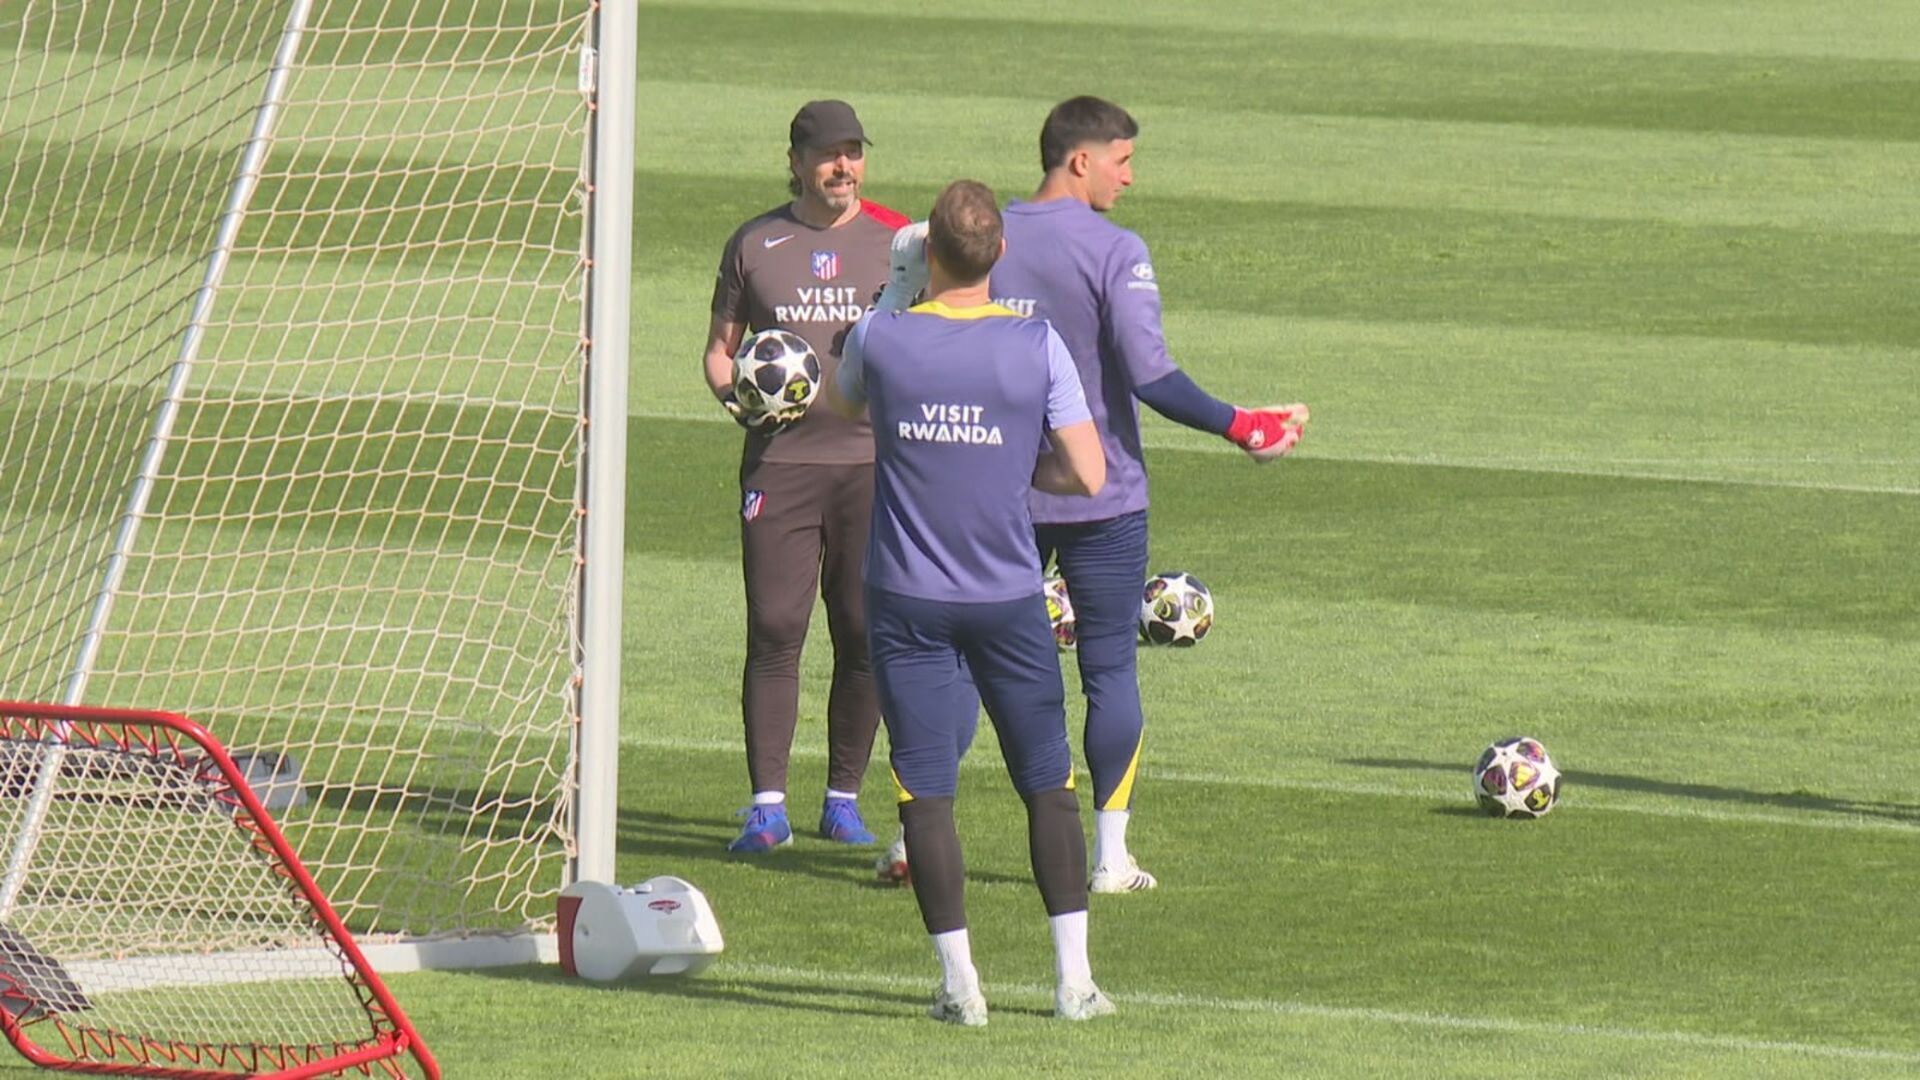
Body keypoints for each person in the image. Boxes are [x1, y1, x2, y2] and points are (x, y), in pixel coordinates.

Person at [988, 96, 1309, 892]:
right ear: (1079, 160)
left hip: (994, 487)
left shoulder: (979, 234)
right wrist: (1246, 426)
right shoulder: (1114, 248)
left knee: (959, 661)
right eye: (1122, 160)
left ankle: (909, 837)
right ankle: (1109, 857)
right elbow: (1153, 377)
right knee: (1107, 671)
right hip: (1102, 496)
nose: (1131, 177)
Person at [826, 180, 1114, 1024]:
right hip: (1008, 595)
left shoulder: (885, 337)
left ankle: (962, 988)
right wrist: (1015, 467)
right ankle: (1073, 983)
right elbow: (1088, 473)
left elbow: (842, 401)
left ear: (931, 256)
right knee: (1046, 783)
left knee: (926, 791)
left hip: (907, 599)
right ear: (1000, 255)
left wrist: (891, 288)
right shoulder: (1038, 343)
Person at [701, 100, 910, 853]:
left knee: (862, 633)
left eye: (853, 152)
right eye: (828, 154)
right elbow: (721, 352)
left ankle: (843, 801)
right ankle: (766, 806)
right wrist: (739, 400)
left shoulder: (898, 248)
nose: (843, 166)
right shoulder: (756, 243)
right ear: (795, 161)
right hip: (781, 468)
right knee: (776, 628)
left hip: (870, 468)